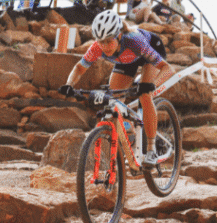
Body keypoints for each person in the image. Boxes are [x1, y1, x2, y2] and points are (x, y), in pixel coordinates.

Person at [59, 10, 172, 166]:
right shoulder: (97, 47)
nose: (105, 46)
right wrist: (69, 84)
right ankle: (131, 134)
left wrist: (152, 85)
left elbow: (167, 69)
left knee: (145, 95)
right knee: (113, 100)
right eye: (101, 41)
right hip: (126, 59)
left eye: (109, 41)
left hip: (149, 51)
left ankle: (152, 149)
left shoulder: (134, 41)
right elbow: (79, 68)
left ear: (119, 35)